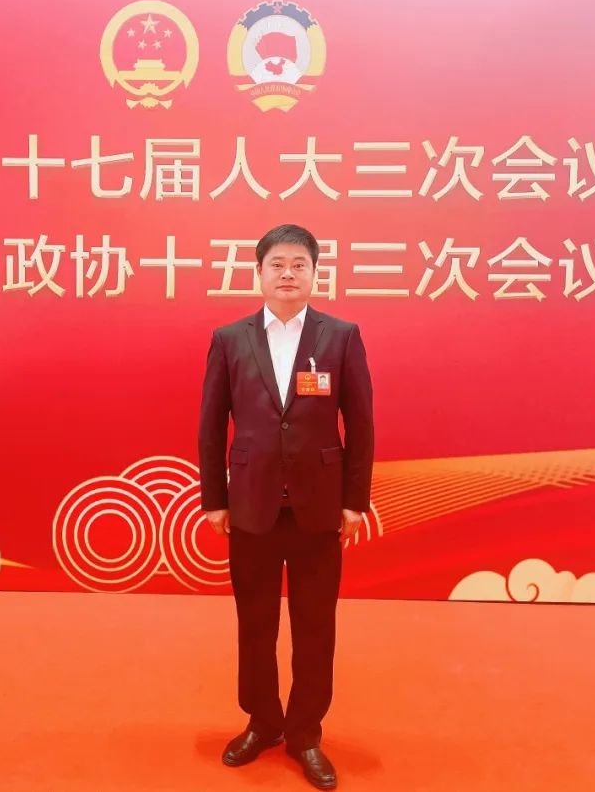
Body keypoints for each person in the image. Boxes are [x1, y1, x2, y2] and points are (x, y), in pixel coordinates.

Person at [198, 223, 375, 790]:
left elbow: (361, 424)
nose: (288, 274)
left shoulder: (340, 337)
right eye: (277, 264)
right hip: (250, 506)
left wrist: (355, 501)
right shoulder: (230, 339)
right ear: (259, 273)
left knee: (314, 626)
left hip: (317, 508)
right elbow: (211, 424)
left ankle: (305, 734)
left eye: (300, 264)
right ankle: (262, 721)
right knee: (255, 623)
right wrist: (213, 498)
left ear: (315, 273)